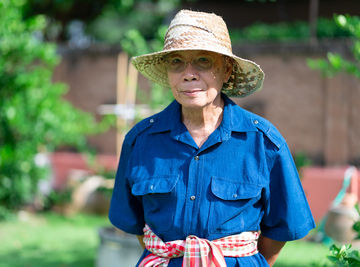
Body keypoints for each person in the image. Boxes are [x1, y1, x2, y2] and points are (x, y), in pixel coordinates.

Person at [109, 9, 315, 267]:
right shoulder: (140, 141)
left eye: (203, 60)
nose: (189, 73)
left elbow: (281, 229)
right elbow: (136, 224)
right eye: (176, 62)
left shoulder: (263, 142)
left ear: (226, 69)